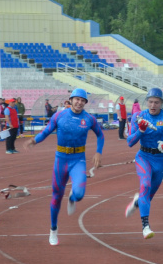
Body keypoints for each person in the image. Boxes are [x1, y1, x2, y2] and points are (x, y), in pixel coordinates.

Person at [26, 88, 104, 246]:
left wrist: (98, 152)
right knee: (56, 196)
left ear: (85, 103)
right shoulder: (59, 115)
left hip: (78, 160)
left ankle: (73, 197)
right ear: (71, 100)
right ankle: (53, 230)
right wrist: (34, 140)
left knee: (80, 194)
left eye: (83, 100)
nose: (79, 102)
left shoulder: (89, 119)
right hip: (61, 160)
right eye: (77, 99)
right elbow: (47, 131)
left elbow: (100, 135)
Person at [124, 88, 163, 239]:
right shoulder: (138, 116)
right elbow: (130, 142)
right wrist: (141, 130)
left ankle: (137, 202)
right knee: (145, 185)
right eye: (150, 102)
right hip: (143, 157)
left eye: (156, 102)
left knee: (148, 195)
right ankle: (145, 226)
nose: (153, 105)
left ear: (162, 103)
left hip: (160, 160)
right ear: (147, 102)